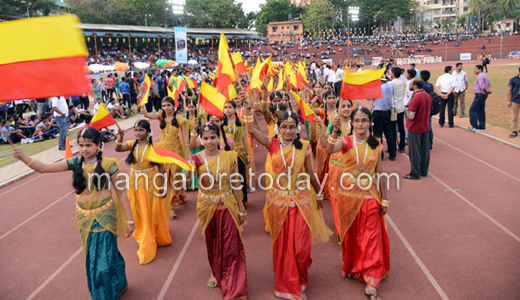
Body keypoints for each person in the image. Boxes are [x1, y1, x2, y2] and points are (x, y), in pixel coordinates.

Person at [11, 127, 135, 300]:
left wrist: (130, 220)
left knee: (104, 258)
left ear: (99, 145)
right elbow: (45, 167)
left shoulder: (109, 164)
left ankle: (105, 295)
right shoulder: (75, 162)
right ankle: (117, 283)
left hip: (105, 216)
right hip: (84, 218)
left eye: (89, 145)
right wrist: (23, 157)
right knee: (94, 256)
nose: (84, 149)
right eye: (82, 145)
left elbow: (121, 192)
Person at [242, 88, 332, 300]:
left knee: (301, 247)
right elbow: (251, 130)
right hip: (278, 203)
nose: (288, 131)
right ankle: (288, 285)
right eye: (284, 127)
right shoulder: (272, 145)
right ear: (278, 128)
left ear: (297, 128)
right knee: (284, 247)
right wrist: (248, 106)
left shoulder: (304, 148)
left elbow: (310, 172)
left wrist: (319, 194)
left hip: (301, 200)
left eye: (292, 127)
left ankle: (299, 275)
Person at [326, 106, 390, 300]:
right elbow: (329, 149)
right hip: (348, 197)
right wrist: (334, 130)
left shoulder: (376, 144)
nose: (360, 124)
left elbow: (379, 173)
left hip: (370, 196)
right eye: (357, 120)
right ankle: (356, 268)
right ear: (352, 123)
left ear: (370, 122)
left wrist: (384, 198)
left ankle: (371, 280)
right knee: (353, 237)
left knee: (370, 237)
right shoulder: (345, 142)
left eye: (364, 120)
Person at [185, 123, 248, 300]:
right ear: (201, 140)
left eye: (213, 137)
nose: (209, 141)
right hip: (207, 206)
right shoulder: (195, 158)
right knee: (212, 242)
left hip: (227, 203)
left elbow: (235, 183)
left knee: (230, 245)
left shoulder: (229, 156)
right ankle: (215, 272)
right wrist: (188, 171)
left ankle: (234, 284)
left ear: (219, 138)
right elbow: (187, 180)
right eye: (206, 138)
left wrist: (241, 209)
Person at [115, 120, 172, 265]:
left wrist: (164, 187)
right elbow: (118, 148)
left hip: (151, 183)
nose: (138, 133)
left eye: (141, 130)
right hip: (135, 183)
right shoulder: (131, 145)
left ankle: (149, 235)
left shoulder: (154, 148)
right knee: (137, 209)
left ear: (148, 132)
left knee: (150, 210)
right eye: (136, 130)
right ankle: (142, 231)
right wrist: (120, 137)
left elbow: (162, 169)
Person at [143, 97, 189, 217]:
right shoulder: (160, 116)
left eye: (168, 105)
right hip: (163, 150)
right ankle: (181, 196)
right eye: (164, 105)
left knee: (175, 177)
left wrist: (189, 153)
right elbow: (147, 114)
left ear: (174, 106)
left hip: (176, 151)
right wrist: (142, 103)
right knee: (165, 177)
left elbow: (184, 137)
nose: (166, 108)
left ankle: (171, 206)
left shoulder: (180, 119)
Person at [317, 98, 352, 238]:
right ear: (338, 109)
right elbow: (325, 145)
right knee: (337, 199)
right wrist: (323, 129)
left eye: (348, 106)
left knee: (351, 199)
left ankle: (350, 229)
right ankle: (341, 232)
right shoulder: (333, 124)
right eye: (343, 106)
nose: (346, 108)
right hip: (336, 167)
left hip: (352, 168)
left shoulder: (356, 124)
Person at [223, 101, 251, 206]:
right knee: (230, 177)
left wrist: (248, 155)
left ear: (235, 109)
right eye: (225, 107)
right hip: (228, 154)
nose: (227, 109)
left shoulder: (241, 123)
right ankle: (233, 200)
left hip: (240, 152)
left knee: (241, 175)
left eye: (230, 107)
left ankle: (244, 200)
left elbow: (244, 140)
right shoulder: (222, 125)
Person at [404, 79, 432, 180]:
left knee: (414, 152)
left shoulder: (415, 98)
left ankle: (414, 173)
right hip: (425, 126)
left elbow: (411, 116)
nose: (409, 86)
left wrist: (406, 110)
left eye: (411, 84)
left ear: (415, 86)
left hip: (415, 128)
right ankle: (424, 171)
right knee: (424, 151)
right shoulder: (427, 96)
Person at [369, 78, 396, 161]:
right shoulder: (390, 86)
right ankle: (392, 154)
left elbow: (369, 98)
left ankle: (380, 155)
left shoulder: (377, 88)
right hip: (387, 112)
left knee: (378, 134)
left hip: (378, 113)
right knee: (389, 133)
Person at [469, 65, 492, 132]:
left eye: (476, 69)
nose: (474, 70)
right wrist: (488, 91)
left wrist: (486, 91)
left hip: (480, 95)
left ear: (480, 69)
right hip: (483, 95)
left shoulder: (480, 76)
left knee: (472, 110)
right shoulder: (484, 76)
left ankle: (474, 126)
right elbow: (489, 85)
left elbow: (482, 86)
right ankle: (482, 126)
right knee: (481, 110)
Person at [389, 67, 406, 152]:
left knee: (392, 128)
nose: (390, 74)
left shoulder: (391, 83)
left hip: (394, 108)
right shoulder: (401, 80)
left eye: (391, 73)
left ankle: (392, 147)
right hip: (400, 107)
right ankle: (402, 146)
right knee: (401, 127)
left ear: (394, 74)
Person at [420, 70, 435, 151]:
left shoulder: (420, 86)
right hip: (429, 107)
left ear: (421, 77)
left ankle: (423, 144)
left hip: (422, 108)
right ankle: (430, 144)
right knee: (429, 125)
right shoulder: (431, 85)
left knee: (422, 127)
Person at [507, 67, 520, 138]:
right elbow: (509, 90)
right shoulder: (513, 79)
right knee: (514, 116)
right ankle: (514, 131)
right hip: (515, 100)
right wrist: (508, 100)